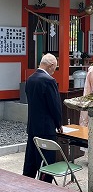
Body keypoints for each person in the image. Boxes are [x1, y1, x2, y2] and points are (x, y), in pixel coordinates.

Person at [23, 53, 63, 183]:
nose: (54, 71)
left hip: (33, 126)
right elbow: (54, 106)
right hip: (46, 128)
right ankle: (45, 187)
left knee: (31, 159)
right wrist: (59, 124)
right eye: (55, 68)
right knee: (47, 162)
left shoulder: (30, 79)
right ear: (51, 66)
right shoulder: (49, 81)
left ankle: (27, 183)